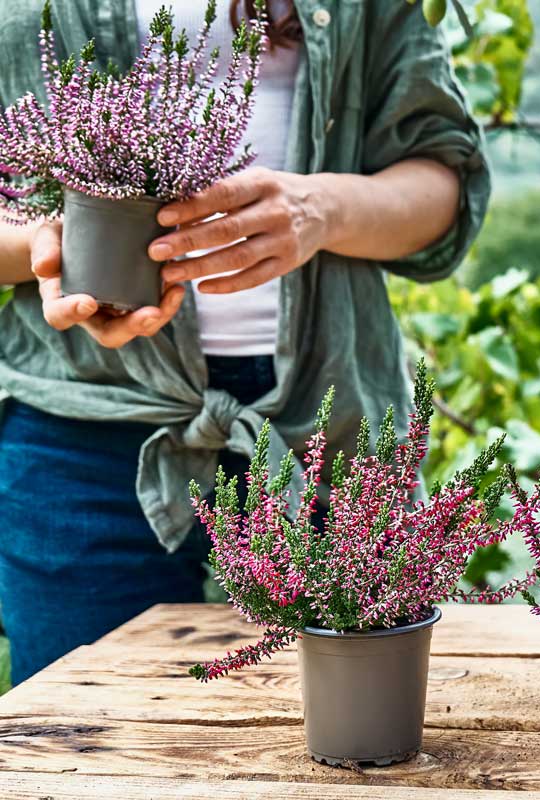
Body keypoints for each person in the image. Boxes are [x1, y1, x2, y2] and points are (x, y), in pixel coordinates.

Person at [0, 0, 489, 685]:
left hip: (328, 420)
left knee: (359, 747)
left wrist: (319, 211)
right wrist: (50, 247)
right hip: (81, 428)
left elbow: (445, 186)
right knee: (81, 741)